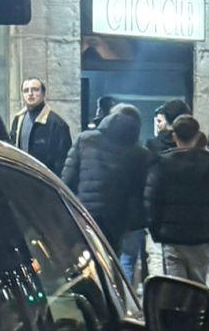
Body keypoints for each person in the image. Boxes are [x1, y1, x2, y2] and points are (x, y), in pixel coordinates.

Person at [145, 115, 209, 331]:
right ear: (197, 136)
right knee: (199, 290)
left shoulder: (162, 165)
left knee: (174, 292)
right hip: (200, 237)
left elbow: (151, 200)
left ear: (174, 136)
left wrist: (155, 231)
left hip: (171, 238)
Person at [63, 102, 151, 282]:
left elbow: (67, 178)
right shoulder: (139, 153)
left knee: (86, 262)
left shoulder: (85, 139)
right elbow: (140, 191)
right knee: (113, 264)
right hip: (118, 219)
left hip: (85, 214)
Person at [9, 77, 73, 178]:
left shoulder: (57, 124)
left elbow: (62, 162)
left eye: (35, 89)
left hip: (46, 182)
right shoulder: (18, 119)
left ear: (43, 94)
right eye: (26, 90)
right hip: (22, 178)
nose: (30, 93)